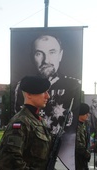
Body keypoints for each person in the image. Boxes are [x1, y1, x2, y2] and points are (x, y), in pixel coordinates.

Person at [14, 35, 81, 169]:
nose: (46, 60)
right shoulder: (22, 120)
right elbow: (9, 161)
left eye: (52, 52)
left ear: (60, 55)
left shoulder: (74, 84)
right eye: (39, 53)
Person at [0, 76, 52, 170]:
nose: (48, 96)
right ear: (29, 94)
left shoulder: (40, 121)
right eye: (44, 92)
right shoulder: (20, 122)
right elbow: (7, 161)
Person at [75, 103, 91, 170]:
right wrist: (86, 153)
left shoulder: (84, 125)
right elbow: (77, 144)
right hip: (78, 157)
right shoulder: (75, 126)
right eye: (86, 113)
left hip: (83, 157)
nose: (88, 115)